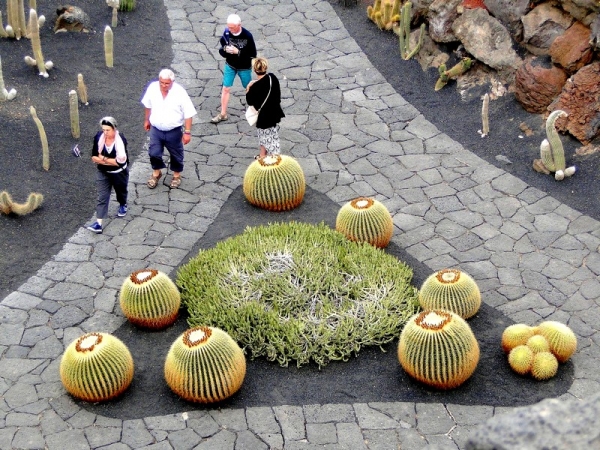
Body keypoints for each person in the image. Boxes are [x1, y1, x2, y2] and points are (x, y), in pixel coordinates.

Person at [141, 68, 197, 189]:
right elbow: (148, 105)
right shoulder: (153, 88)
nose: (163, 85)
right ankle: (156, 173)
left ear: (172, 82)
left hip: (174, 130)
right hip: (156, 129)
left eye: (166, 83)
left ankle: (176, 175)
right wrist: (147, 119)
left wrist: (187, 132)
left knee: (176, 154)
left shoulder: (180, 92)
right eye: (162, 82)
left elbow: (188, 113)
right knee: (153, 153)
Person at [86, 116, 129, 234]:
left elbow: (120, 162)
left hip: (119, 173)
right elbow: (94, 156)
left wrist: (102, 158)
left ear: (114, 128)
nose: (105, 132)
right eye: (103, 129)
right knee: (102, 197)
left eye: (108, 130)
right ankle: (98, 224)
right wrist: (108, 161)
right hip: (103, 172)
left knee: (121, 191)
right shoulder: (98, 137)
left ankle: (123, 203)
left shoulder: (121, 140)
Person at [211, 14, 257, 124]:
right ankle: (223, 114)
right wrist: (225, 49)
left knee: (249, 88)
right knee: (226, 88)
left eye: (232, 27)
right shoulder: (227, 33)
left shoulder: (247, 36)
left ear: (239, 25)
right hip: (230, 65)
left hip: (244, 67)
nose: (229, 29)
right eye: (229, 26)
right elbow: (222, 49)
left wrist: (238, 52)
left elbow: (253, 54)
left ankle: (256, 110)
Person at [245, 57, 285, 158]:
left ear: (255, 70)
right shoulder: (272, 78)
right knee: (267, 136)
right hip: (274, 113)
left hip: (264, 118)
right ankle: (262, 155)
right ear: (265, 67)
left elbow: (250, 102)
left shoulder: (254, 87)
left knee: (269, 140)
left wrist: (248, 88)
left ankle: (274, 161)